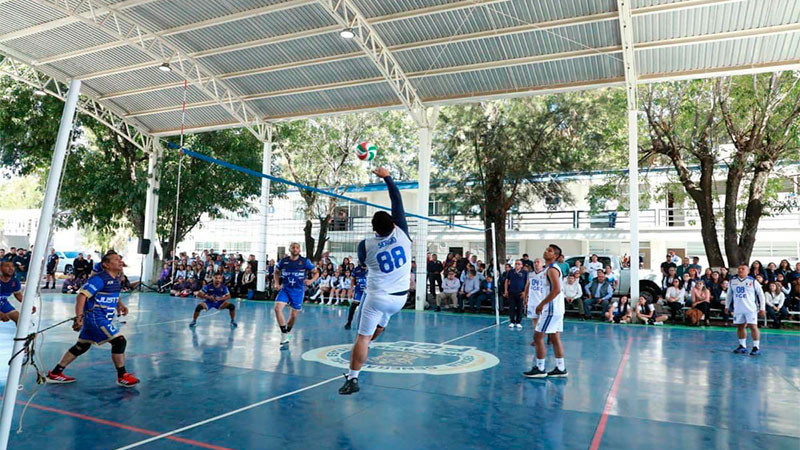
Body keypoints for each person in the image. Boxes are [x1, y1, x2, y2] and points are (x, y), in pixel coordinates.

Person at [339, 167, 412, 395]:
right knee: (379, 326)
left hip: (377, 297)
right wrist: (386, 176)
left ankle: (352, 379)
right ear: (393, 223)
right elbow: (396, 199)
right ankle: (366, 347)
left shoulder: (365, 245)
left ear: (373, 228)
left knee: (362, 337)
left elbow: (362, 264)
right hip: (400, 299)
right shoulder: (402, 233)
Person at [46, 252, 138, 387]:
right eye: (116, 259)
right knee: (119, 342)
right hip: (96, 318)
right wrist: (79, 318)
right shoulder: (99, 279)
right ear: (106, 265)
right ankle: (122, 376)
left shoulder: (116, 278)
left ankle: (56, 372)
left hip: (101, 318)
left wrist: (120, 304)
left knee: (82, 346)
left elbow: (112, 293)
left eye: (120, 258)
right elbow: (81, 296)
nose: (120, 261)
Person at [523, 245, 567, 378]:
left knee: (538, 336)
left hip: (551, 308)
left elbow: (557, 290)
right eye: (546, 249)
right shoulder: (548, 269)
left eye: (550, 251)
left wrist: (541, 304)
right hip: (557, 308)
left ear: (555, 256)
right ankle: (561, 368)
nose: (546, 251)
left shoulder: (552, 270)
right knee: (554, 337)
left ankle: (540, 368)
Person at [273, 242, 318, 345]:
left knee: (293, 316)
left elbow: (316, 272)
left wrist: (311, 281)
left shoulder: (305, 262)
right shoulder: (283, 261)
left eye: (297, 247)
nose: (295, 249)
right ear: (289, 249)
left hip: (298, 291)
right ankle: (284, 334)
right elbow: (276, 271)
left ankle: (287, 332)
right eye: (293, 247)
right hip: (285, 289)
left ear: (299, 250)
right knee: (277, 308)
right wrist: (276, 283)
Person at [727, 264, 766, 355]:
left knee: (753, 327)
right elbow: (729, 294)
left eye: (743, 269)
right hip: (738, 308)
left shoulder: (752, 281)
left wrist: (762, 308)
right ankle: (742, 346)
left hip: (750, 309)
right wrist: (727, 306)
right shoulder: (733, 281)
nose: (740, 270)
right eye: (739, 268)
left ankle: (756, 347)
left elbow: (761, 295)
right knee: (740, 327)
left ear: (748, 271)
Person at [523, 258, 547, 333]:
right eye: (534, 262)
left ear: (542, 264)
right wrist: (525, 298)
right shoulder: (531, 274)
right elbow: (527, 286)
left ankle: (547, 335)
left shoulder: (546, 273)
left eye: (538, 262)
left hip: (542, 300)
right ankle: (537, 335)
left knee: (543, 319)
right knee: (534, 319)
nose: (536, 263)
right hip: (532, 300)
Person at [344, 263, 368, 330]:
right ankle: (349, 322)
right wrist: (351, 290)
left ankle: (377, 324)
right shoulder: (357, 269)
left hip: (369, 291)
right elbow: (352, 280)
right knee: (353, 306)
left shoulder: (371, 268)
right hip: (359, 291)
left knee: (372, 308)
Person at [504, 260, 527, 328]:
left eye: (519, 264)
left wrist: (524, 292)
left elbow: (526, 283)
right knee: (511, 307)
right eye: (516, 264)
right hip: (512, 292)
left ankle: (518, 322)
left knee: (520, 308)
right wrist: (506, 290)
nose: (517, 265)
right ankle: (512, 321)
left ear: (522, 265)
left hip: (520, 292)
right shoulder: (511, 272)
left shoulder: (524, 273)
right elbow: (506, 281)